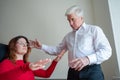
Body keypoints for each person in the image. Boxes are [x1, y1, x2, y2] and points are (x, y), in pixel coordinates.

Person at [30, 5, 112, 80]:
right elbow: (58, 50)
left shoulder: (94, 30)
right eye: (68, 20)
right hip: (73, 73)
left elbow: (107, 51)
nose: (70, 23)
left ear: (81, 18)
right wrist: (41, 46)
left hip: (92, 71)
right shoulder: (68, 36)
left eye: (72, 19)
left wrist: (88, 59)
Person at [0, 35, 65, 80]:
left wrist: (55, 61)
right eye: (21, 43)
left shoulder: (29, 65)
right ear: (13, 46)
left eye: (26, 43)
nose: (25, 45)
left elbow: (46, 74)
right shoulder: (6, 62)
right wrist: (25, 68)